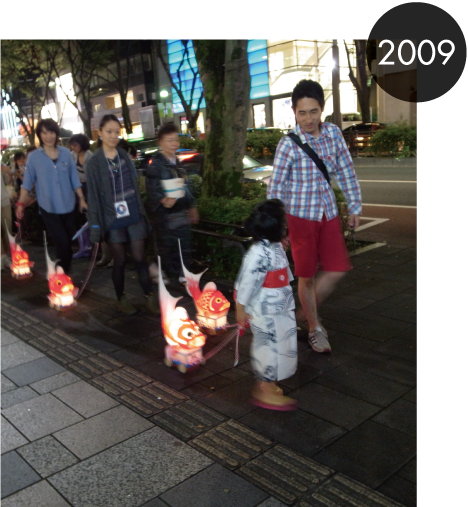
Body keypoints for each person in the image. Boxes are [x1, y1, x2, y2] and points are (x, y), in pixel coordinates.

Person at [268, 79, 362, 354]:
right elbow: (276, 187)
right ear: (294, 113)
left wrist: (354, 206)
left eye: (313, 111)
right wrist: (279, 226)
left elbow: (346, 171)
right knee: (306, 276)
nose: (308, 119)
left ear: (322, 110)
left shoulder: (333, 135)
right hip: (300, 218)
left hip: (328, 213)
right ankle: (313, 327)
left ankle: (305, 312)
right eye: (302, 112)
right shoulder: (289, 144)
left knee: (337, 268)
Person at [86, 114, 158, 316]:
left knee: (139, 257)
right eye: (109, 131)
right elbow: (93, 197)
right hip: (112, 218)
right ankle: (121, 298)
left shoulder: (124, 155)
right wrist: (95, 227)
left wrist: (143, 213)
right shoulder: (94, 163)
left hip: (133, 213)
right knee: (119, 261)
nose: (113, 136)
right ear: (99, 133)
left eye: (117, 132)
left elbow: (134, 185)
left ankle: (149, 296)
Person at [235, 199, 298, 411]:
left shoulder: (274, 246)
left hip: (279, 304)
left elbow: (283, 274)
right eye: (284, 222)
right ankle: (264, 388)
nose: (287, 225)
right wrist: (240, 308)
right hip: (264, 308)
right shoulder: (258, 253)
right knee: (269, 347)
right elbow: (247, 282)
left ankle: (269, 383)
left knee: (281, 343)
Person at [15, 119, 87, 274]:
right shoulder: (34, 157)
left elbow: (74, 178)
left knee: (67, 242)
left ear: (57, 133)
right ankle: (62, 278)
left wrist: (81, 198)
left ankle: (61, 276)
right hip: (48, 207)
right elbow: (27, 183)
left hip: (69, 205)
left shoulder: (66, 153)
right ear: (39, 135)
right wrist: (21, 203)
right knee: (62, 242)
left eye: (52, 132)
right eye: (44, 133)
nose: (49, 136)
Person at [145, 123, 198, 284]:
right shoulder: (156, 164)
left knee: (184, 244)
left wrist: (192, 206)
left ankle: (182, 274)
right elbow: (152, 187)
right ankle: (163, 271)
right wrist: (163, 199)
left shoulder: (178, 162)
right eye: (169, 140)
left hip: (180, 210)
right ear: (160, 142)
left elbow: (186, 186)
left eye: (176, 140)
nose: (174, 143)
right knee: (167, 245)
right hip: (165, 213)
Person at [69, 134, 93, 259]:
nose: (73, 147)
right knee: (79, 218)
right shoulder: (72, 156)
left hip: (90, 188)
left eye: (75, 145)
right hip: (78, 189)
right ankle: (84, 247)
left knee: (90, 217)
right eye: (72, 145)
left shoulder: (90, 156)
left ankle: (91, 247)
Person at [0, 160, 13, 270]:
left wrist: (9, 173)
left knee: (7, 228)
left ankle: (5, 256)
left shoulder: (1, 163)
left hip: (4, 200)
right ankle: (2, 256)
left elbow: (9, 181)